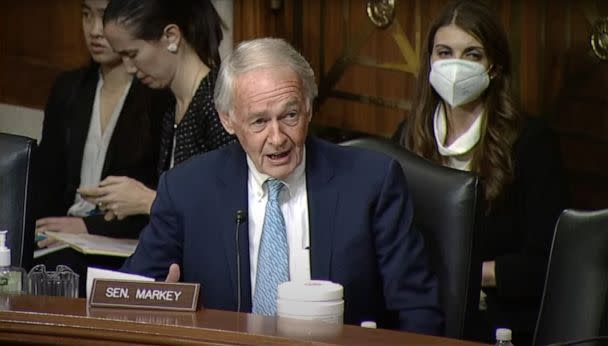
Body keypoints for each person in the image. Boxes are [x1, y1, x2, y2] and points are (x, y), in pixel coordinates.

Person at [121, 37, 443, 334]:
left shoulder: (371, 183)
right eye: (259, 121)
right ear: (227, 119)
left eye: (290, 115)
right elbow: (127, 296)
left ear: (309, 108)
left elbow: (418, 310)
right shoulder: (187, 190)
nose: (277, 139)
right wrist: (160, 302)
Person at [394, 1, 568, 344]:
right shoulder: (408, 134)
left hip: (500, 317)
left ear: (494, 67)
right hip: (419, 308)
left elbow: (547, 258)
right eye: (444, 52)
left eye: (472, 54)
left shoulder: (530, 142)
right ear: (430, 61)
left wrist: (473, 275)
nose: (456, 65)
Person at [78, 0, 235, 220]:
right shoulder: (172, 106)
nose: (129, 67)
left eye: (132, 54)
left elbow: (233, 207)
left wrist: (146, 200)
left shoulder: (216, 102)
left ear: (171, 37)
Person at [35, 0, 168, 247]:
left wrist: (87, 226)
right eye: (87, 15)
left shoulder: (158, 96)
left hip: (124, 238)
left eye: (104, 16)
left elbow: (157, 196)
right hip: (61, 231)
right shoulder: (68, 88)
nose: (95, 30)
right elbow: (46, 179)